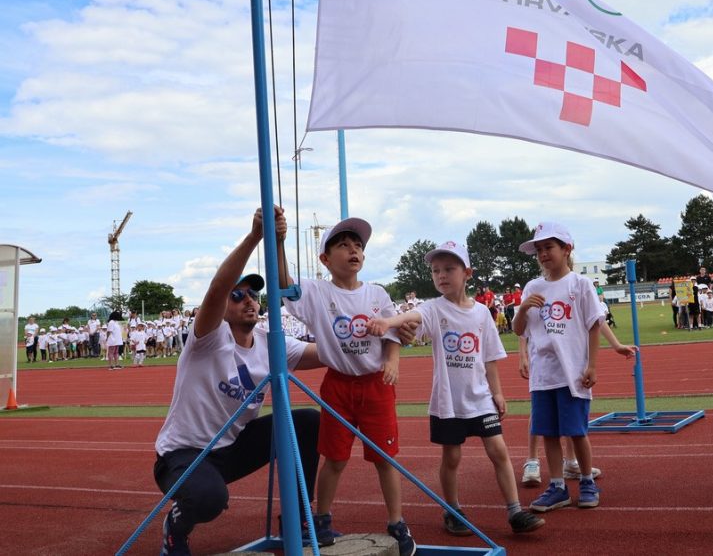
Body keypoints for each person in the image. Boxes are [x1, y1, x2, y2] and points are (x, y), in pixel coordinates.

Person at [154, 208, 325, 556]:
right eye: (239, 295)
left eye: (253, 295)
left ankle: (296, 521)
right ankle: (177, 525)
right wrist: (254, 238)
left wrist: (381, 333)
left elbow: (323, 354)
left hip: (232, 448)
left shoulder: (270, 341)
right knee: (209, 500)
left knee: (308, 421)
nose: (248, 300)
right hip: (185, 455)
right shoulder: (208, 339)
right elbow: (217, 288)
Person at [367, 240, 546, 536]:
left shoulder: (481, 314)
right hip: (448, 401)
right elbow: (413, 319)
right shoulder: (434, 309)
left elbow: (489, 357)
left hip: (481, 398)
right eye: (436, 270)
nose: (441, 275)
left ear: (468, 273)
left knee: (499, 451)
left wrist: (497, 392)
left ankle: (515, 511)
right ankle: (453, 510)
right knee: (451, 457)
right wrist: (389, 322)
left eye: (449, 269)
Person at [280, 216, 416, 556]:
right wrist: (279, 241)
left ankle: (397, 522)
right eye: (342, 245)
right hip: (338, 386)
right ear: (325, 259)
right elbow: (285, 283)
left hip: (375, 385)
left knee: (385, 458)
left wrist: (393, 360)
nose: (352, 250)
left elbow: (393, 334)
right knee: (335, 458)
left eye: (357, 245)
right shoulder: (316, 292)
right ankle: (321, 519)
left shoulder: (377, 293)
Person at [513, 221, 605, 512]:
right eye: (538, 250)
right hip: (543, 375)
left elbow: (594, 325)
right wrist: (525, 306)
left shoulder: (580, 284)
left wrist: (591, 366)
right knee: (549, 432)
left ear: (567, 249)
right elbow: (519, 330)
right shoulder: (533, 287)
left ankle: (587, 480)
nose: (543, 254)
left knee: (577, 431)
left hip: (572, 373)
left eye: (548, 247)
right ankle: (557, 487)